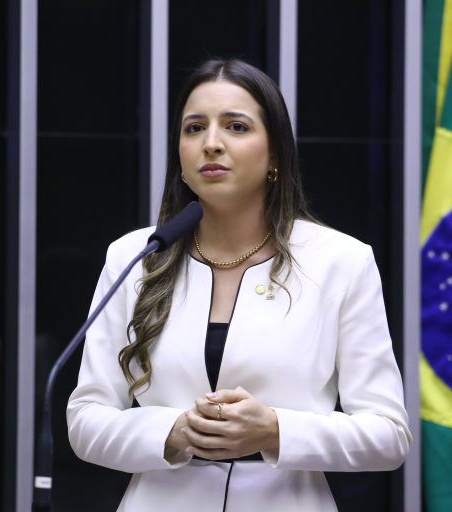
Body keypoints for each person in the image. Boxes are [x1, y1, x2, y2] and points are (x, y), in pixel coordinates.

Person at [66, 58, 412, 511]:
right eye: (194, 128)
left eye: (236, 127)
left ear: (275, 154)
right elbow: (85, 421)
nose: (211, 143)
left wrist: (275, 431)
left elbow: (388, 436)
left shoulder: (340, 261)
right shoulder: (135, 257)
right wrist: (172, 432)